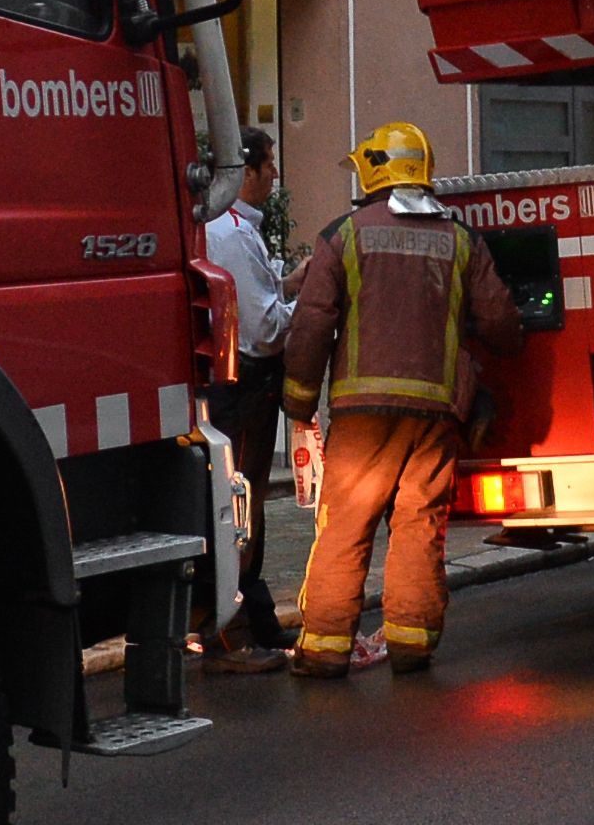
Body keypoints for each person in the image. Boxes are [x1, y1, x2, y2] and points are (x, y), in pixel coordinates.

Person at [281, 121, 522, 677]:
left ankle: (323, 649)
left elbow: (312, 325)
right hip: (437, 413)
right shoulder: (461, 239)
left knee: (345, 525)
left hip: (362, 415)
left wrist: (297, 403)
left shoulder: (344, 235)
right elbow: (502, 323)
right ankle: (412, 644)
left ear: (373, 170)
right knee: (419, 524)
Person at [202, 127, 297, 672]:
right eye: (269, 164)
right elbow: (262, 328)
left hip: (230, 385)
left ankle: (253, 622)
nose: (275, 175)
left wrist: (286, 286)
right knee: (241, 507)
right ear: (246, 170)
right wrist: (300, 308)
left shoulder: (230, 228)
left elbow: (256, 300)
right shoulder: (233, 233)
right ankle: (234, 635)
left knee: (240, 505)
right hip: (244, 387)